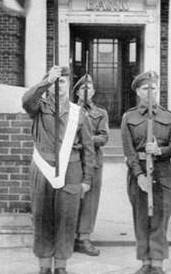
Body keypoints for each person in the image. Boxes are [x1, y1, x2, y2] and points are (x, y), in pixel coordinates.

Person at [22, 65, 95, 274]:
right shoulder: (38, 107)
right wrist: (46, 81)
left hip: (71, 169)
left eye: (62, 81)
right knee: (42, 217)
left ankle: (61, 265)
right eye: (55, 81)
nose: (58, 85)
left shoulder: (78, 113)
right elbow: (26, 100)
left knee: (66, 218)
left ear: (68, 85)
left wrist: (87, 178)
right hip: (42, 168)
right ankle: (44, 265)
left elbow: (88, 149)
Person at [121, 71, 171, 274]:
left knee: (160, 219)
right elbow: (129, 151)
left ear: (158, 90)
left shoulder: (169, 117)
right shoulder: (129, 117)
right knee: (141, 220)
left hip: (162, 174)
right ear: (138, 91)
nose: (150, 92)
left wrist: (160, 150)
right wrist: (138, 175)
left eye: (153, 88)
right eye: (145, 88)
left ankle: (157, 263)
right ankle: (145, 262)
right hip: (138, 174)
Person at [74, 74, 109, 256]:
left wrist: (86, 140)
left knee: (90, 200)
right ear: (77, 92)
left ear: (94, 92)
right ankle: (70, 236)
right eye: (82, 89)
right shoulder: (70, 110)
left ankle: (84, 237)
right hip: (73, 159)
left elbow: (104, 137)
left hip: (93, 160)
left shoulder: (100, 113)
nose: (86, 92)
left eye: (89, 89)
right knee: (72, 197)